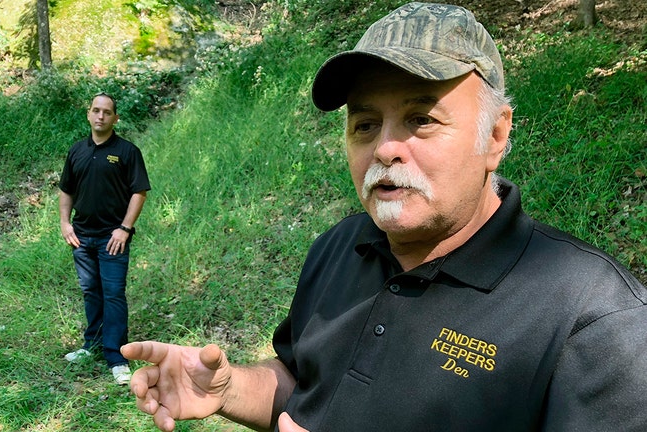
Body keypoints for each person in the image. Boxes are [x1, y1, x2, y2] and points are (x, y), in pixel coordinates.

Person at [121, 2, 647, 430]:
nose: (386, 148)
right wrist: (230, 387)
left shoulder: (594, 320)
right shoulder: (339, 247)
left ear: (495, 135)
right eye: (366, 124)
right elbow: (303, 386)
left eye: (421, 119)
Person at [59, 93, 151, 385]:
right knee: (91, 292)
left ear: (115, 118)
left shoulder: (127, 152)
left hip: (113, 238)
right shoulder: (76, 151)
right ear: (88, 114)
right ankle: (92, 345)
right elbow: (66, 191)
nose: (101, 116)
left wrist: (124, 228)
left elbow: (139, 192)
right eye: (96, 111)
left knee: (113, 294)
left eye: (107, 112)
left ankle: (116, 356)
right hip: (81, 237)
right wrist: (64, 223)